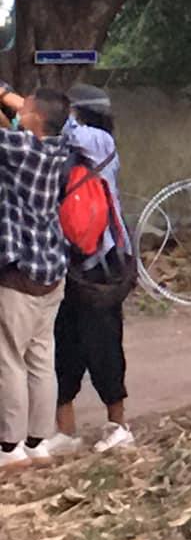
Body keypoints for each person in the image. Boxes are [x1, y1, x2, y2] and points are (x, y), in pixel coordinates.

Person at [52, 87, 134, 450]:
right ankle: (65, 432)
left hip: (102, 265)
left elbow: (57, 125)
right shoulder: (60, 154)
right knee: (63, 346)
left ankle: (118, 426)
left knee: (104, 345)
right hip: (68, 263)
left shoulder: (100, 143)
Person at [0, 87, 74, 464]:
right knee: (41, 357)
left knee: (9, 358)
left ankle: (9, 447)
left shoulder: (23, 150)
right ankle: (37, 440)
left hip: (21, 273)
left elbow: (9, 134)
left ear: (34, 119)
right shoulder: (60, 146)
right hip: (51, 270)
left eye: (24, 107)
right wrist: (8, 95)